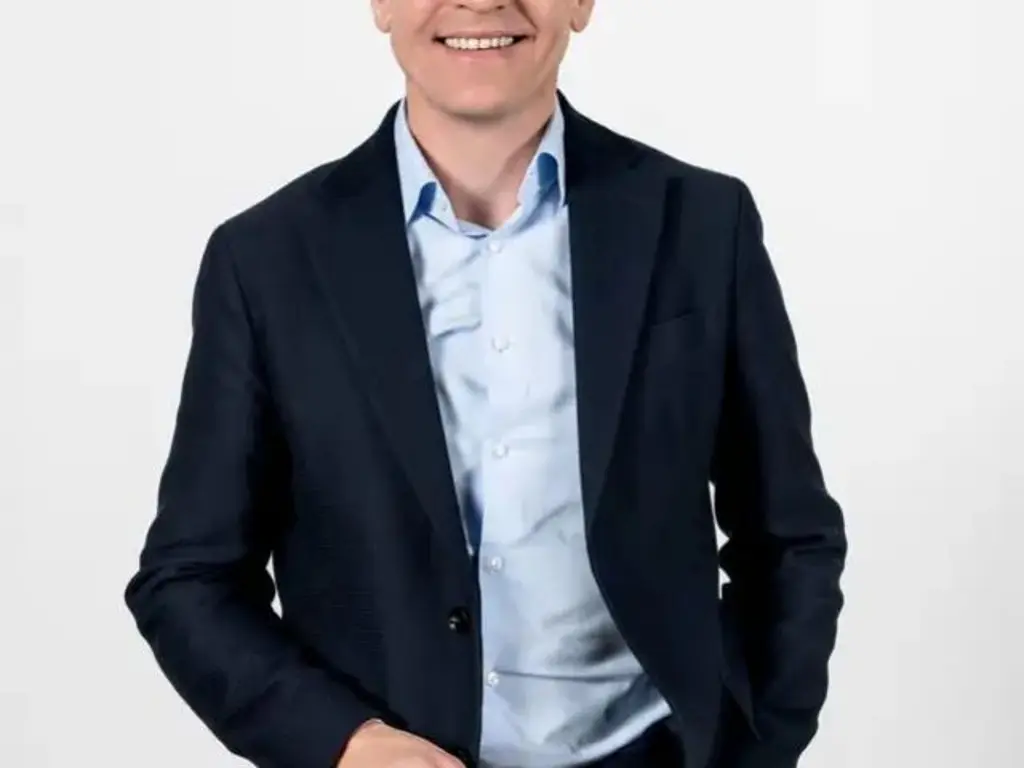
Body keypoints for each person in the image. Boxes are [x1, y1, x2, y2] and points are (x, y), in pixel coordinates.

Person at [124, 1, 847, 766]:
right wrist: (345, 743)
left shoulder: (702, 222)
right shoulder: (266, 260)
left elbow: (789, 539)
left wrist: (755, 751)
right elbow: (189, 579)